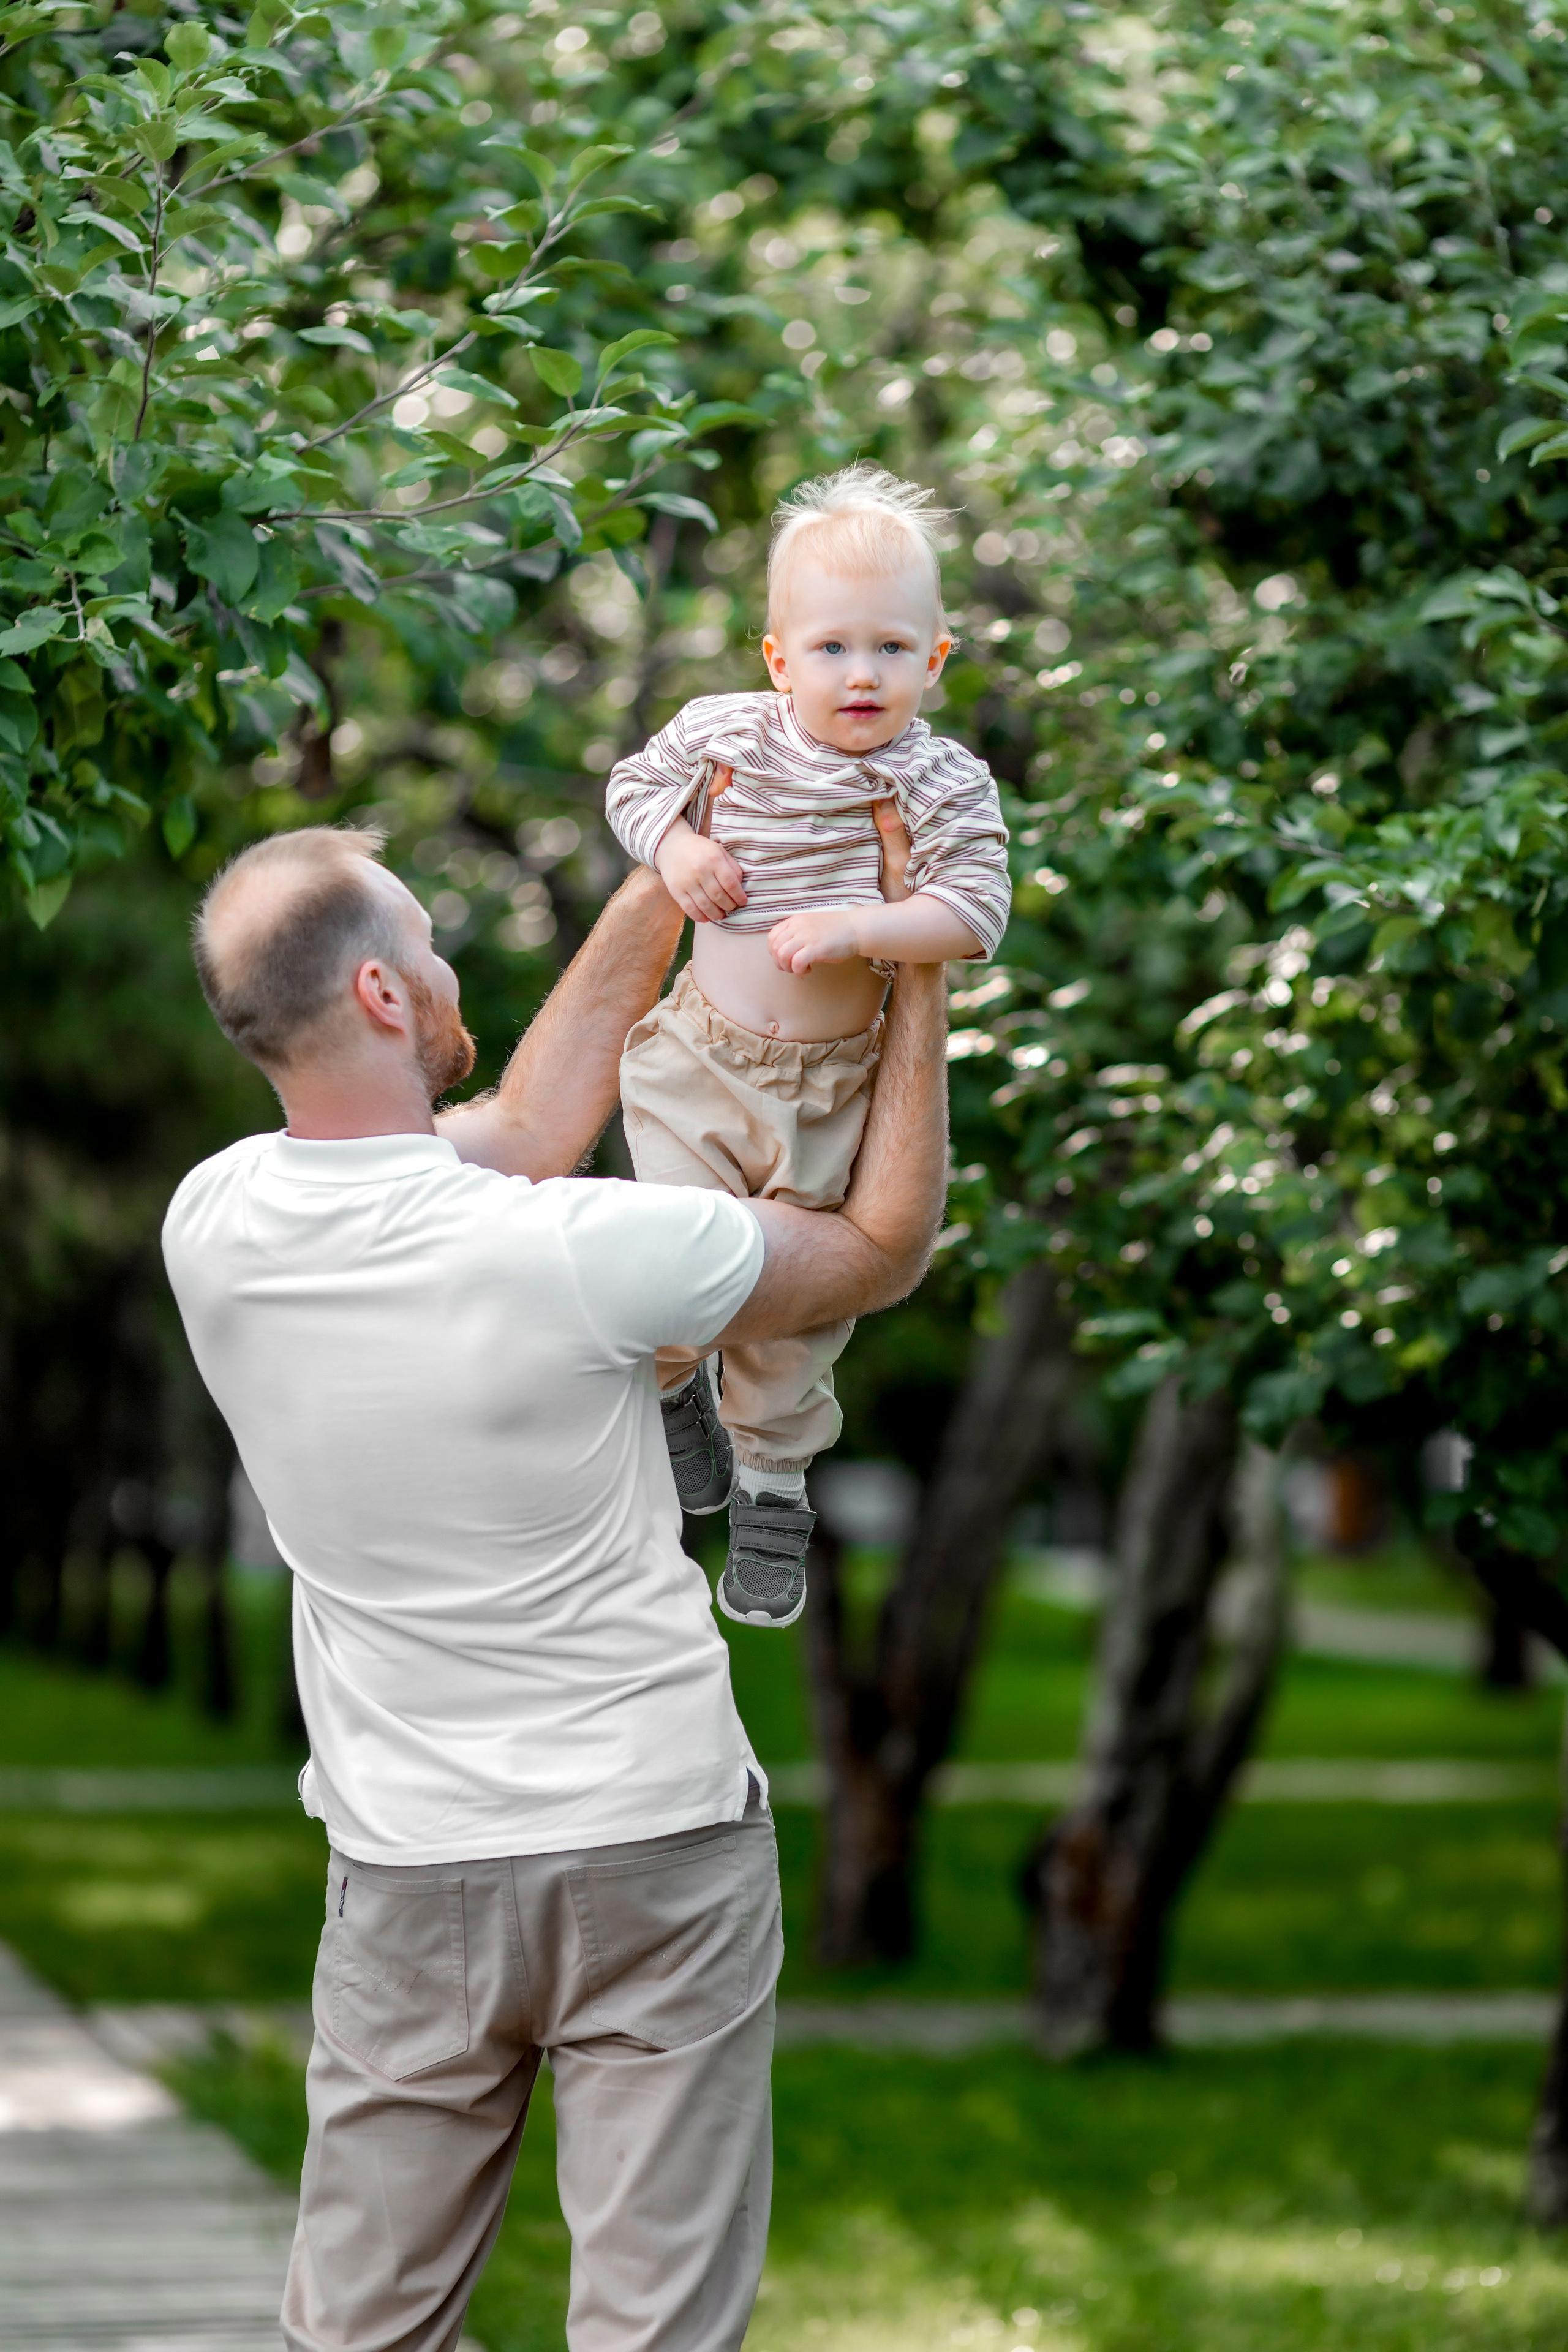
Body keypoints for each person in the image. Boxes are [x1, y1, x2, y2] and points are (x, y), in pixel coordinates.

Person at [160, 823, 948, 2352]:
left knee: (362, 2334)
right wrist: (914, 976)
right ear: (388, 996)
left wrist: (666, 880)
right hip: (651, 1849)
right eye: (432, 941)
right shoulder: (587, 1253)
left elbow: (522, 1122)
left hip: (407, 1874)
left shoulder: (218, 1224)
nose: (454, 963)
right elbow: (875, 1245)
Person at [606, 464, 1009, 1630]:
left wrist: (867, 926)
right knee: (675, 1252)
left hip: (831, 1086)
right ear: (779, 659)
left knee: (793, 1301)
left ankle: (775, 1480)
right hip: (699, 1061)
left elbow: (978, 914)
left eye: (892, 649)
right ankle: (677, 1386)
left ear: (935, 661)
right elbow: (633, 788)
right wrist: (677, 852)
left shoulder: (941, 779)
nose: (862, 675)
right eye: (832, 649)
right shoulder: (727, 733)